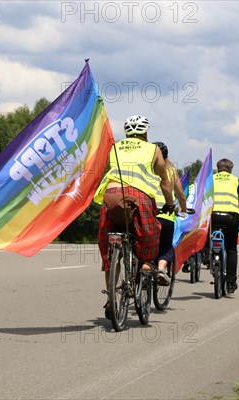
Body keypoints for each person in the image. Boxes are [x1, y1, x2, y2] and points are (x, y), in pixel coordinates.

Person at [94, 115, 174, 315]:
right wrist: (170, 204)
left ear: (127, 133)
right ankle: (146, 265)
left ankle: (110, 299)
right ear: (145, 133)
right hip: (139, 197)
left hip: (111, 195)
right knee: (151, 230)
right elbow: (165, 181)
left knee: (109, 244)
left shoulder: (115, 147)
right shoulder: (153, 149)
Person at [152, 142, 187, 281]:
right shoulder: (171, 170)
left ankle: (142, 266)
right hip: (166, 215)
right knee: (166, 246)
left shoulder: (145, 169)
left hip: (147, 212)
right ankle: (161, 269)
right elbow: (180, 194)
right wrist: (183, 209)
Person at [211, 158, 239, 294]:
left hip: (213, 216)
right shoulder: (235, 180)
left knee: (208, 236)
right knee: (231, 249)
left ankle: (208, 257)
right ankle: (231, 282)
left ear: (218, 168)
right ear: (230, 169)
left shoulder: (211, 179)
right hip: (231, 217)